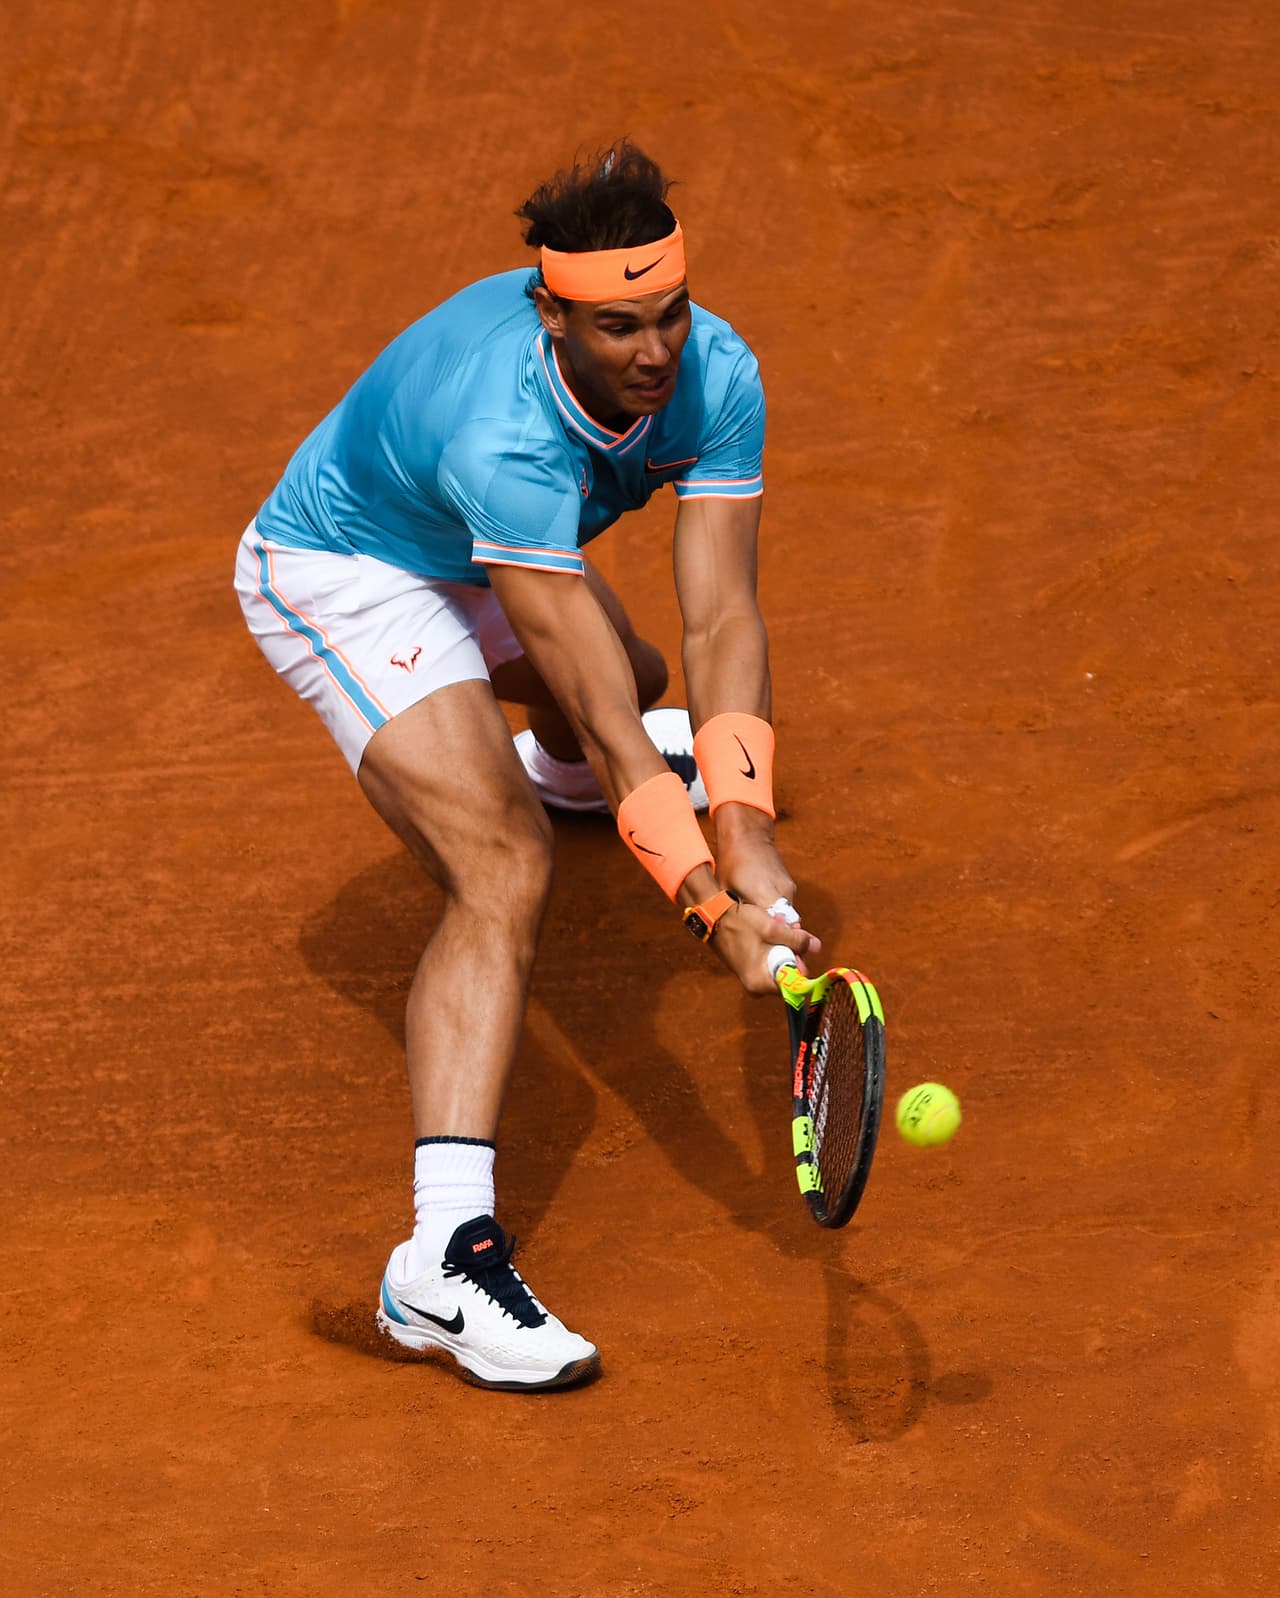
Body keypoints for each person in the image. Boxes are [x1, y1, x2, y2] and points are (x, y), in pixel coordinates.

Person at [234, 141, 818, 1391]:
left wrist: (747, 828)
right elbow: (602, 719)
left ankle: (553, 784)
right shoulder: (502, 434)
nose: (655, 352)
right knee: (502, 866)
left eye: (669, 314)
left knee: (644, 669)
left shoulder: (717, 372)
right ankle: (440, 1263)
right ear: (552, 314)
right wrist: (706, 904)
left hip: (484, 550)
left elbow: (722, 616)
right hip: (351, 570)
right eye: (618, 327)